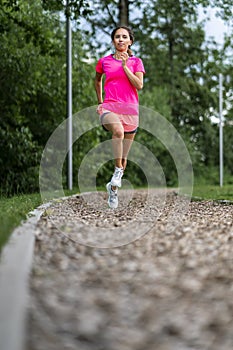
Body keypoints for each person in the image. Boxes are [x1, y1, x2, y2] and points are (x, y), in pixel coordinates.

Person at [94, 26, 145, 209]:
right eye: (117, 37)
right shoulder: (104, 61)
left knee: (124, 159)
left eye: (124, 37)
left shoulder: (136, 62)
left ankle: (113, 189)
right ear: (113, 40)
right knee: (118, 131)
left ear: (130, 41)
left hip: (131, 112)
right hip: (109, 108)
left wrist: (125, 67)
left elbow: (139, 85)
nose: (121, 40)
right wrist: (100, 101)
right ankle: (116, 172)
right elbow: (97, 79)